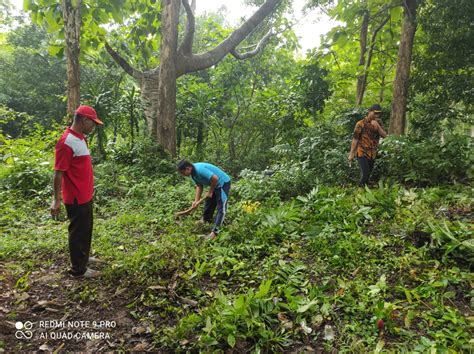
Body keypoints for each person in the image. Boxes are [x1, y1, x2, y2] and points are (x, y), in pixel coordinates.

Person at [50, 105, 103, 278]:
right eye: (92, 123)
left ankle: (84, 258)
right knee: (78, 232)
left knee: (86, 229)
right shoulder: (66, 142)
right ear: (83, 120)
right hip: (75, 197)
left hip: (85, 194)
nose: (93, 127)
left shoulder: (80, 138)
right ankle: (78, 269)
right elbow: (58, 173)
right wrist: (56, 200)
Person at [177, 160, 231, 239]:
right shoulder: (193, 174)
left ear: (188, 168)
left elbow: (215, 179)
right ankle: (206, 220)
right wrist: (196, 201)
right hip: (214, 184)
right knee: (209, 202)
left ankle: (215, 232)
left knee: (221, 207)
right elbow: (199, 186)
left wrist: (210, 191)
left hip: (223, 183)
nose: (183, 175)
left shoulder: (199, 169)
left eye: (182, 172)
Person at [348, 104, 388, 186]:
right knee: (365, 173)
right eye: (375, 113)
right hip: (361, 151)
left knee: (368, 174)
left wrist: (378, 126)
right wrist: (351, 154)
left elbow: (385, 136)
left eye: (378, 113)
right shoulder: (360, 123)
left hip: (372, 153)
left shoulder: (379, 123)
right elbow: (355, 139)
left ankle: (364, 193)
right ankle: (358, 190)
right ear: (369, 112)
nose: (376, 115)